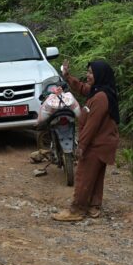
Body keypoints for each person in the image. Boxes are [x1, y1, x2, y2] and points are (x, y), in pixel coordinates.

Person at [52, 60, 120, 222]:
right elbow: (83, 88)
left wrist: (81, 146)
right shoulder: (100, 91)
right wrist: (67, 76)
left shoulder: (100, 98)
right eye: (88, 72)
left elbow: (92, 125)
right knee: (95, 175)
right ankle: (94, 206)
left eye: (91, 73)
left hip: (97, 143)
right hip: (104, 141)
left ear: (100, 75)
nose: (88, 76)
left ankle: (77, 209)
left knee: (83, 175)